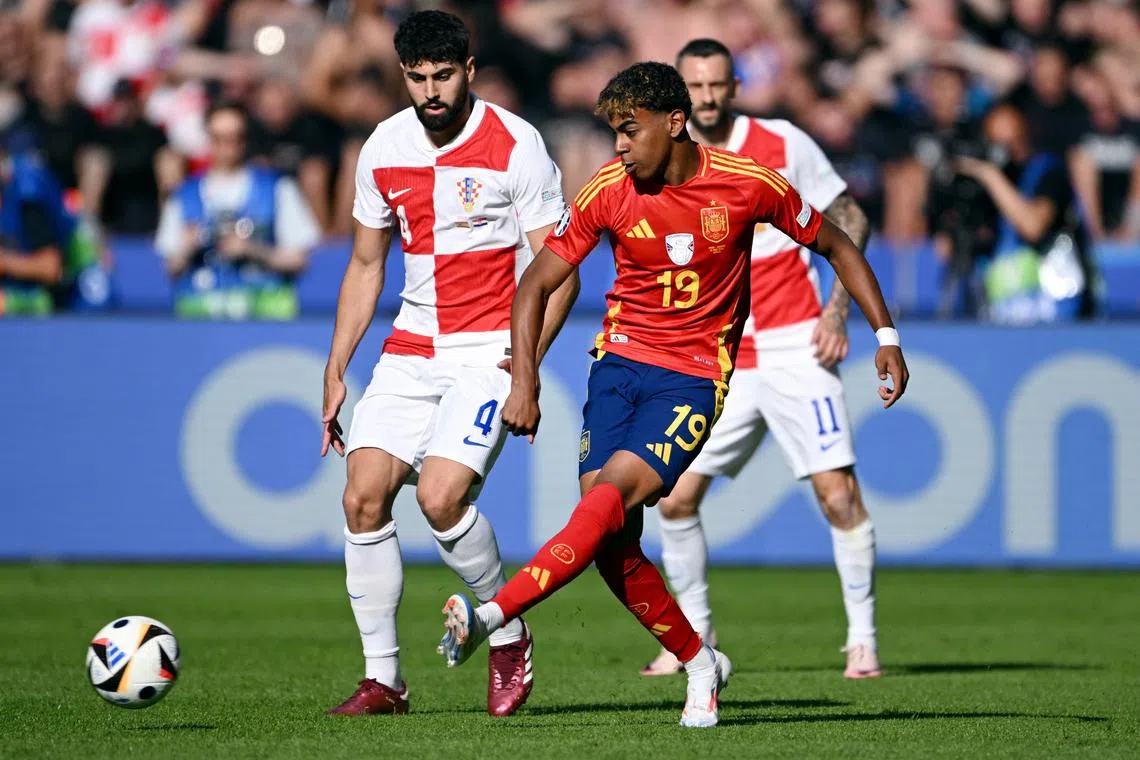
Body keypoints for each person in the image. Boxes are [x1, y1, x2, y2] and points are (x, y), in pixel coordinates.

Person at [436, 61, 908, 728]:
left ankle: (494, 613)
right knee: (609, 541)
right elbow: (534, 285)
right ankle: (699, 662)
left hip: (691, 380)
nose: (619, 147)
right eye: (614, 134)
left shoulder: (747, 186)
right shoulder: (609, 190)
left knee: (603, 503)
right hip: (617, 371)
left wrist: (884, 334)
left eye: (629, 131)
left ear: (675, 122)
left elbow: (837, 242)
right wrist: (526, 380)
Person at [319, 10, 578, 718]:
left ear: (468, 69)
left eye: (442, 76)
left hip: (489, 350)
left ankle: (508, 629)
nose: (430, 92)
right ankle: (385, 682)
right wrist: (338, 365)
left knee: (439, 498)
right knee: (362, 496)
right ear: (402, 74)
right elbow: (367, 265)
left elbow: (559, 273)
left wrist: (524, 371)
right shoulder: (382, 147)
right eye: (416, 78)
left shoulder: (515, 143)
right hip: (411, 348)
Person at [632, 37, 881, 681]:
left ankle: (863, 639)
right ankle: (694, 641)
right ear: (677, 91)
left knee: (837, 496)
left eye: (718, 84)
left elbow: (849, 215)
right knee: (676, 498)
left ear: (735, 85)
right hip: (722, 358)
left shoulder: (783, 143)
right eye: (697, 86)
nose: (709, 97)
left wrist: (836, 311)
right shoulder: (665, 157)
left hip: (798, 343)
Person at [154, 101, 320, 320]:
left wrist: (253, 250)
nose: (227, 146)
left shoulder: (277, 188)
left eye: (235, 137)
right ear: (208, 138)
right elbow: (170, 267)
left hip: (265, 310)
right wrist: (188, 246)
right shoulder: (184, 195)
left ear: (245, 139)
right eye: (219, 138)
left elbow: (300, 259)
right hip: (201, 312)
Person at [955, 102, 1095, 322]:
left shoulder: (1049, 172)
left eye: (1011, 142)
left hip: (1060, 318)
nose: (1003, 151)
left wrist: (989, 175)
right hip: (1003, 319)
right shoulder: (983, 192)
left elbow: (1033, 226)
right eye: (994, 142)